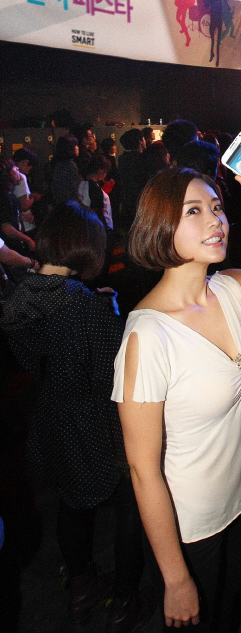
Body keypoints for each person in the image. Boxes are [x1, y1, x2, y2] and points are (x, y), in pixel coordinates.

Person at [112, 166, 241, 630]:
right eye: (194, 211)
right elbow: (143, 471)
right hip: (191, 526)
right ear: (160, 225)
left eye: (217, 207)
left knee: (229, 610)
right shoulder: (148, 338)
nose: (216, 220)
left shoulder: (230, 287)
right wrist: (175, 578)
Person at [0, 202, 155, 632]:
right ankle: (124, 601)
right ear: (88, 248)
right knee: (133, 504)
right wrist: (111, 316)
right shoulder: (85, 309)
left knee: (71, 503)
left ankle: (82, 584)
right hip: (97, 428)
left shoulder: (20, 295)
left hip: (50, 421)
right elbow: (117, 374)